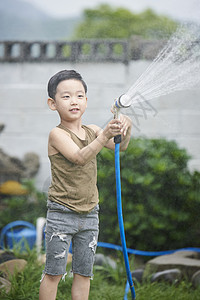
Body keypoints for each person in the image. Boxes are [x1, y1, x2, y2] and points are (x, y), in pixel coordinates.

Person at [39, 70, 132, 300]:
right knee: (54, 273)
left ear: (86, 101)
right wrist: (104, 137)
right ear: (53, 103)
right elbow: (79, 157)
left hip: (90, 214)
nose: (74, 101)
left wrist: (125, 129)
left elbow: (119, 146)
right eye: (66, 96)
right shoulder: (57, 134)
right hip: (62, 213)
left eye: (79, 96)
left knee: (83, 273)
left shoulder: (92, 130)